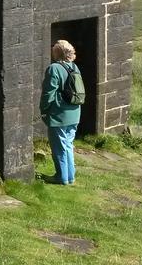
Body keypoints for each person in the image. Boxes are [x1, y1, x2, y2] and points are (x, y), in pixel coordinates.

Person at [39, 39, 81, 185]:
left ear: (56, 52)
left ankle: (61, 178)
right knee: (68, 144)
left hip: (59, 114)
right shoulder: (74, 67)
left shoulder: (54, 68)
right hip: (74, 112)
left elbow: (48, 93)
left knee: (59, 147)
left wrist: (43, 110)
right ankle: (70, 177)